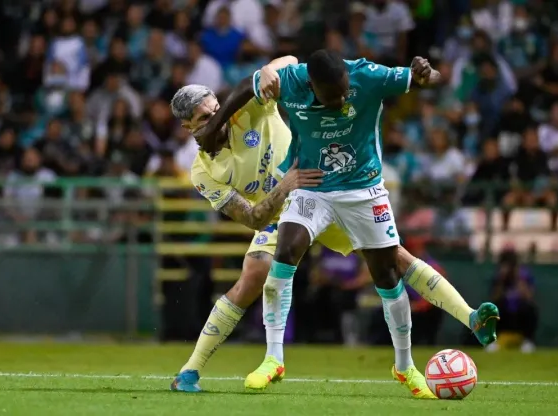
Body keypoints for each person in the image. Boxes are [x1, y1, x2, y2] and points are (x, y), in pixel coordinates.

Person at [187, 51, 499, 398]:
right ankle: (249, 361)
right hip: (304, 191)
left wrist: (427, 73)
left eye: (215, 110)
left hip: (355, 189)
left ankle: (431, 345)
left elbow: (423, 78)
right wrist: (282, 185)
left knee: (392, 266)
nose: (337, 101)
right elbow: (251, 217)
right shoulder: (206, 167)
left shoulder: (357, 78)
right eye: (203, 118)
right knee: (269, 265)